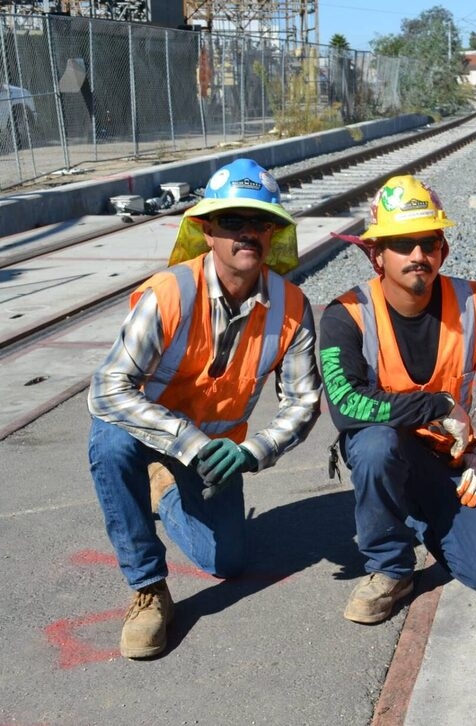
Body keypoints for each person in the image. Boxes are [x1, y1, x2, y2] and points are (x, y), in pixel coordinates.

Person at [88, 158, 322, 659]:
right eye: (232, 221)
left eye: (260, 222)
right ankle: (147, 587)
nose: (247, 233)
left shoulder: (293, 307)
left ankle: (165, 485)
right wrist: (186, 442)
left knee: (226, 562)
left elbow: (303, 402)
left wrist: (255, 450)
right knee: (108, 442)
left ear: (273, 233)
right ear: (207, 230)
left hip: (220, 453)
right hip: (152, 435)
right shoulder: (169, 294)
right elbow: (107, 388)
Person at [320, 174, 476, 624]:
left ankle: (418, 513)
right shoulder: (347, 315)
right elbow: (344, 404)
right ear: (376, 255)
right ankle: (390, 568)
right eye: (402, 243)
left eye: (429, 242)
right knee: (376, 445)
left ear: (443, 249)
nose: (419, 255)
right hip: (387, 451)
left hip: (451, 460)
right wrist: (436, 405)